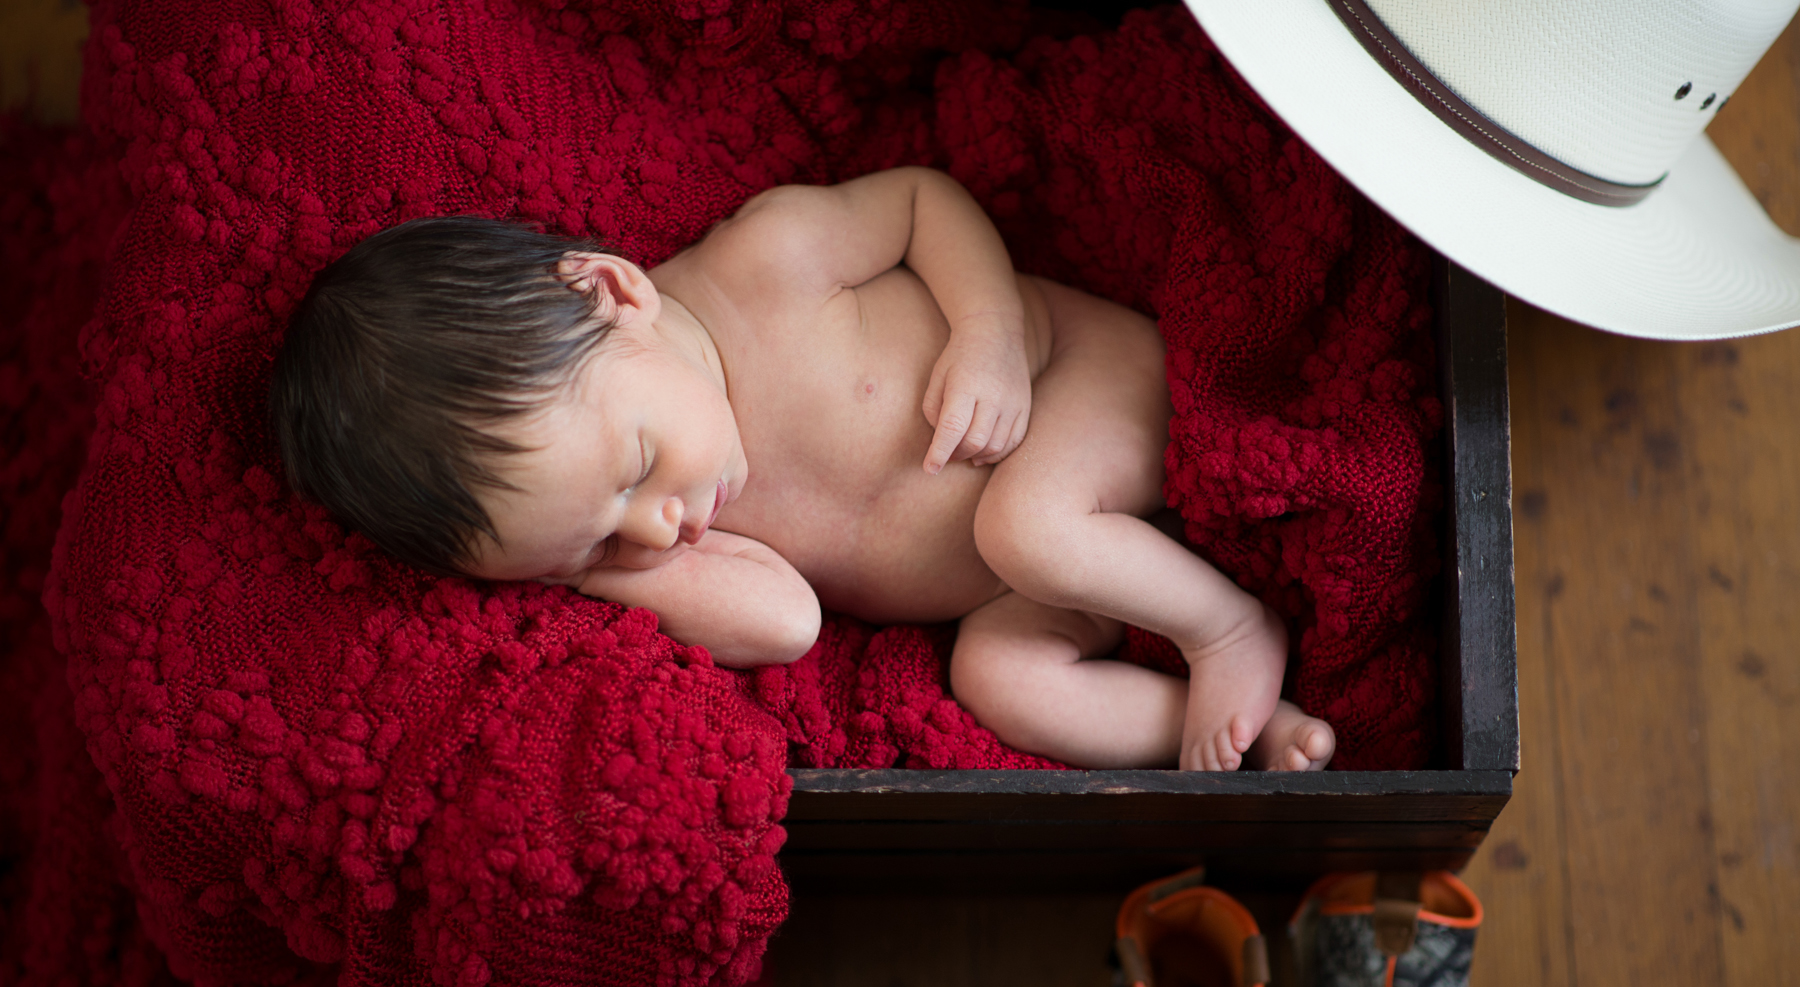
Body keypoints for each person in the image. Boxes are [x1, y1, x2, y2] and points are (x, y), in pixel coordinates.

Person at [270, 167, 1336, 771]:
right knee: (999, 679)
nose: (659, 524)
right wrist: (587, 564)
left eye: (636, 467)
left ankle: (1227, 629)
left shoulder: (765, 261)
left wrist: (991, 331)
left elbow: (921, 202)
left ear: (614, 292)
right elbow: (788, 624)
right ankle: (1235, 726)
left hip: (1083, 384)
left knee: (1027, 526)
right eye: (590, 545)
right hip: (1040, 580)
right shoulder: (662, 536)